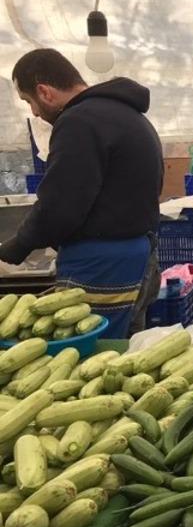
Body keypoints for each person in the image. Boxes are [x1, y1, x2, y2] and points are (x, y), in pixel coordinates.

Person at [0, 48, 163, 338]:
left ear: (44, 91)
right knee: (122, 351)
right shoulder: (128, 114)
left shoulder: (78, 122)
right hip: (139, 254)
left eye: (29, 101)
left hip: (102, 264)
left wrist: (17, 246)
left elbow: (60, 205)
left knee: (88, 354)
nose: (34, 112)